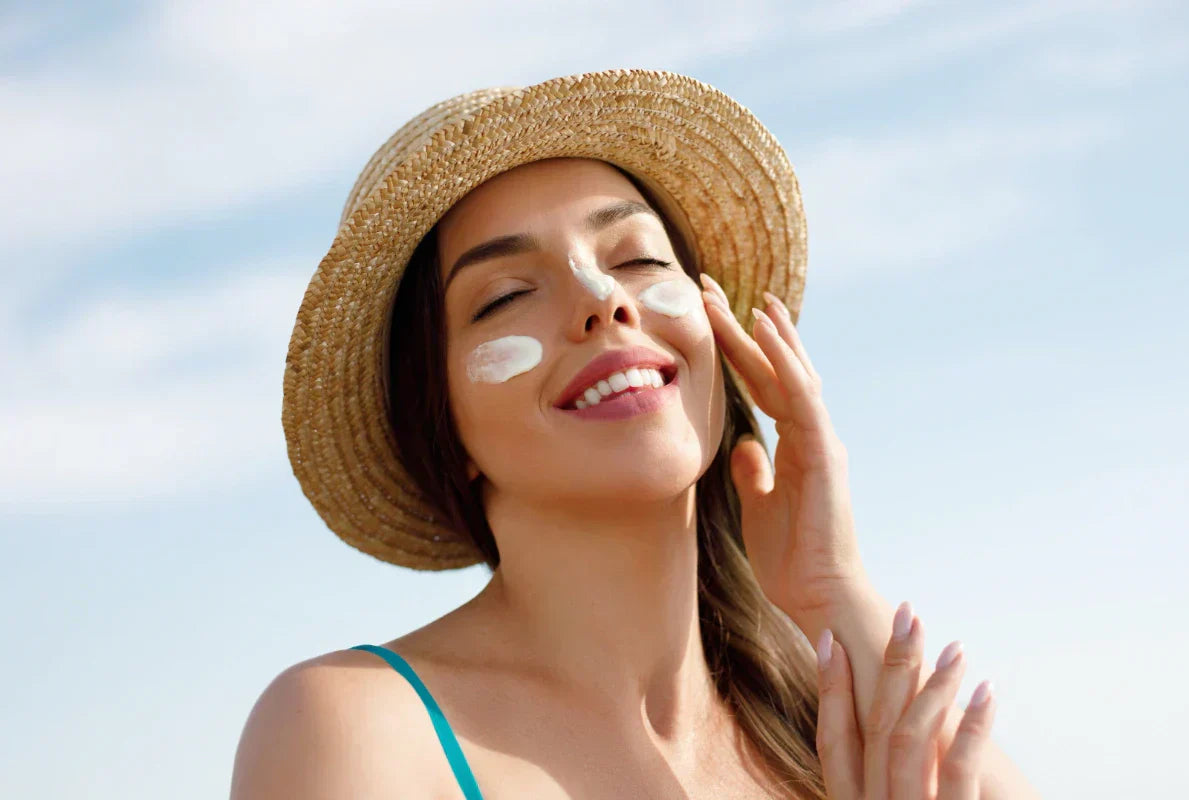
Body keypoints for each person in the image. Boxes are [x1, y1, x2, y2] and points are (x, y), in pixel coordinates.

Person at [231, 70, 1039, 799]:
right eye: (506, 295)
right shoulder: (354, 730)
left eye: (638, 259)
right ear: (438, 427)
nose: (602, 300)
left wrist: (833, 594)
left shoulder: (818, 719)